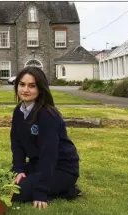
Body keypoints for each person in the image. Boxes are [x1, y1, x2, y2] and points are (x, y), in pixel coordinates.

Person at [10, 66, 82, 209]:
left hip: (62, 168)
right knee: (5, 181)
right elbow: (16, 144)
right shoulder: (18, 111)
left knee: (15, 193)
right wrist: (19, 170)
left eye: (32, 86)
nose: (25, 90)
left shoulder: (47, 115)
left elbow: (48, 154)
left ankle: (67, 190)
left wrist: (41, 192)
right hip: (37, 165)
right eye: (22, 84)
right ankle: (48, 185)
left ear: (40, 89)